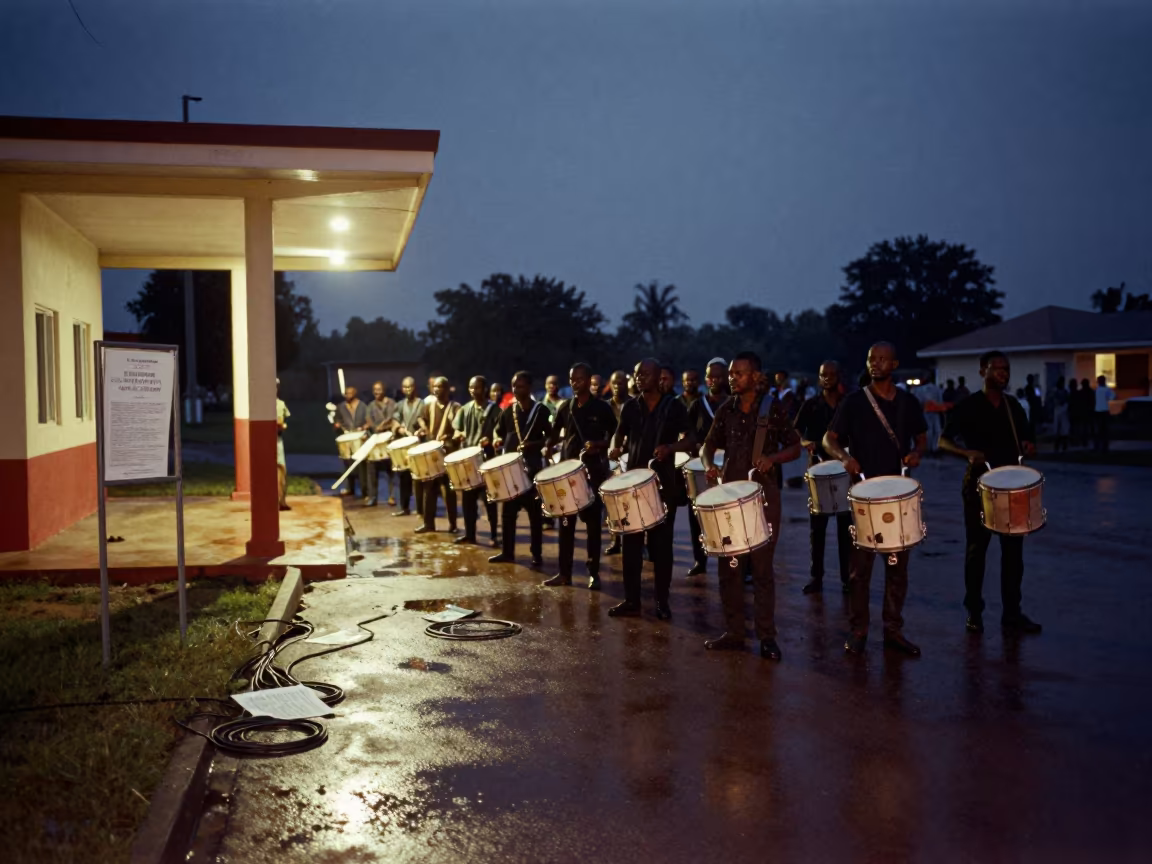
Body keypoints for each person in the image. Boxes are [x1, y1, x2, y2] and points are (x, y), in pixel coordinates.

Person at [824, 342, 927, 657]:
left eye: (883, 359)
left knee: (897, 567)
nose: (876, 364)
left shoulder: (908, 403)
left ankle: (893, 631)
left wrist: (917, 453)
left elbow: (922, 436)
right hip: (864, 495)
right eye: (872, 359)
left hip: (898, 495)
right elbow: (829, 439)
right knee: (860, 570)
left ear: (894, 363)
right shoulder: (854, 402)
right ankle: (859, 630)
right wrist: (844, 457)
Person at [700, 352, 801, 660]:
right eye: (731, 373)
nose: (732, 378)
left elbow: (796, 446)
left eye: (739, 374)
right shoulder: (725, 409)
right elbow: (707, 446)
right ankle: (734, 632)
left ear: (756, 377)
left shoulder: (773, 409)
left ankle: (767, 637)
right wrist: (708, 464)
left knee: (761, 571)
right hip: (730, 495)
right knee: (729, 569)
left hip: (763, 497)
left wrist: (773, 459)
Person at [939, 350, 1042, 636]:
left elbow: (1027, 437)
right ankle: (974, 610)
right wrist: (965, 452)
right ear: (982, 370)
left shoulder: (1013, 406)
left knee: (1013, 554)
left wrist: (1029, 445)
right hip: (979, 486)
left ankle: (1012, 612)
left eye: (1006, 369)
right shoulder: (969, 406)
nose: (1003, 373)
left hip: (1011, 486)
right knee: (977, 550)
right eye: (997, 368)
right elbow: (942, 440)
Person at [607, 358, 691, 620]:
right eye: (636, 374)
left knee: (662, 546)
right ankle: (631, 600)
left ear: (658, 377)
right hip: (632, 484)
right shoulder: (631, 406)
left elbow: (691, 440)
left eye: (645, 374)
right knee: (630, 544)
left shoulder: (674, 406)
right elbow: (618, 434)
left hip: (663, 484)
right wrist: (616, 446)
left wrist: (670, 448)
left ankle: (661, 602)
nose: (639, 378)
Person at [542, 363, 617, 590]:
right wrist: (547, 445)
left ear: (588, 380)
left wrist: (599, 445)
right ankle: (564, 573)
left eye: (580, 379)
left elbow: (615, 438)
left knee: (593, 527)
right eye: (572, 379)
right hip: (566, 473)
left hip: (592, 473)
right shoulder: (566, 407)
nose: (575, 383)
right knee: (565, 526)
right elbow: (554, 435)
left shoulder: (602, 408)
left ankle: (594, 573)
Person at [793, 361, 853, 595]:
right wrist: (804, 442)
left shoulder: (847, 404)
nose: (827, 378)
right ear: (818, 378)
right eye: (823, 375)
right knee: (817, 527)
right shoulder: (811, 404)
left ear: (839, 376)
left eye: (831, 374)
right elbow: (795, 429)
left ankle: (847, 578)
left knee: (845, 525)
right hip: (818, 468)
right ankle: (816, 577)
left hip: (845, 467)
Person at [489, 371, 550, 567]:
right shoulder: (508, 411)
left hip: (532, 470)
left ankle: (536, 554)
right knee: (507, 514)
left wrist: (535, 444)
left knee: (534, 515)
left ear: (529, 388)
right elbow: (499, 433)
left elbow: (550, 438)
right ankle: (507, 552)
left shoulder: (541, 411)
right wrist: (497, 441)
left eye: (521, 386)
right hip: (511, 472)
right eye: (514, 386)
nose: (516, 389)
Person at [683, 358, 730, 577]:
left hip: (727, 465)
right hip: (702, 465)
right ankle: (699, 560)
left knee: (727, 513)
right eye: (711, 376)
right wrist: (696, 445)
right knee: (697, 513)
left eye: (719, 376)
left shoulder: (733, 403)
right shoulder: (697, 405)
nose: (714, 380)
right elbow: (688, 434)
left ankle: (731, 557)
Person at [453, 375, 501, 546]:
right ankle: (470, 534)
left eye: (477, 388)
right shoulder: (465, 410)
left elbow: (499, 432)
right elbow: (457, 431)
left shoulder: (495, 410)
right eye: (471, 388)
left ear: (485, 389)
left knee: (489, 499)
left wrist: (494, 440)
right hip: (468, 462)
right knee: (468, 500)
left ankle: (494, 535)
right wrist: (459, 435)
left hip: (487, 460)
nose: (474, 391)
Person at [415, 377, 460, 534]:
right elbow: (421, 418)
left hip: (448, 454)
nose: (436, 390)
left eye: (440, 387)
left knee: (449, 491)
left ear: (447, 389)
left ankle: (453, 524)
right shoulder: (429, 406)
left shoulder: (455, 407)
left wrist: (450, 437)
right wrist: (423, 427)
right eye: (434, 387)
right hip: (433, 455)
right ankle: (429, 523)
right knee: (429, 489)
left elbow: (459, 429)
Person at [603, 369, 632, 556]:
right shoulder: (605, 406)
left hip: (629, 457)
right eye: (613, 383)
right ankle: (615, 539)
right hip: (610, 458)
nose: (616, 387)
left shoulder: (634, 404)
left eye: (620, 383)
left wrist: (623, 448)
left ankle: (636, 540)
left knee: (631, 502)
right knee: (612, 501)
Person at [392, 377, 427, 516]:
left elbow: (426, 422)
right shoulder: (400, 405)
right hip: (405, 446)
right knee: (404, 477)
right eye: (405, 387)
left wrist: (421, 431)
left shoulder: (422, 404)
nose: (407, 390)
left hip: (419, 443)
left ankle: (421, 509)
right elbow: (395, 421)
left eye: (410, 387)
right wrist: (399, 429)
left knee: (419, 477)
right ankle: (404, 506)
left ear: (415, 387)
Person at [365, 380, 397, 507]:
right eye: (375, 390)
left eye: (379, 389)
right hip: (376, 441)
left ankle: (392, 496)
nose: (377, 392)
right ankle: (373, 497)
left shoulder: (392, 403)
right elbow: (368, 419)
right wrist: (374, 427)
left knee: (391, 471)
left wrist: (385, 426)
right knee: (372, 469)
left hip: (389, 440)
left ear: (384, 390)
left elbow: (393, 418)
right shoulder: (371, 406)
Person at [334, 385, 369, 499]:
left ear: (355, 394)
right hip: (346, 437)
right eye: (346, 393)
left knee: (360, 465)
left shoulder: (362, 406)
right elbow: (337, 420)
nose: (347, 395)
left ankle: (365, 490)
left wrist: (364, 427)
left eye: (349, 393)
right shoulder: (341, 407)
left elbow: (369, 421)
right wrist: (337, 425)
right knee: (347, 463)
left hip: (359, 437)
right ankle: (350, 488)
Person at [276, 379, 291, 512]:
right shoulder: (278, 404)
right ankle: (277, 500)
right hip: (271, 440)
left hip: (275, 439)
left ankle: (280, 500)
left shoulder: (280, 404)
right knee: (278, 469)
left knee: (279, 469)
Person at [1048, 376, 1070, 453]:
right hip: (1060, 410)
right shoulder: (1059, 391)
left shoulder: (1061, 391)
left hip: (1060, 410)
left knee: (1061, 429)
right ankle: (1059, 446)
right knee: (1060, 429)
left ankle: (1061, 446)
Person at [1094, 374, 1115, 452]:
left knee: (1098, 430)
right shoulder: (1107, 390)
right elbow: (1112, 397)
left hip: (1098, 411)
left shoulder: (1096, 390)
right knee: (1105, 430)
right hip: (1104, 410)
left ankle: (1098, 446)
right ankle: (1104, 446)